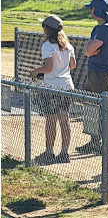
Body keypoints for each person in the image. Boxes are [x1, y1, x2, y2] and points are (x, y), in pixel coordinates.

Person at [31, 15, 76, 164]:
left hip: (52, 87)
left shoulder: (47, 46)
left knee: (51, 120)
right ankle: (65, 152)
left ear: (47, 29)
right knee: (65, 119)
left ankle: (49, 152)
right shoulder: (68, 45)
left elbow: (48, 67)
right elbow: (73, 65)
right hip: (67, 85)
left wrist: (36, 71)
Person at [76, 0, 108, 155]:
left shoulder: (106, 28)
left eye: (92, 8)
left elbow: (88, 50)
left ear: (99, 10)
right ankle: (94, 142)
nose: (90, 10)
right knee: (92, 108)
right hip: (93, 71)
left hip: (101, 74)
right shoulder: (97, 28)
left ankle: (107, 144)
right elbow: (88, 50)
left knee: (104, 108)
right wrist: (90, 51)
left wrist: (90, 51)